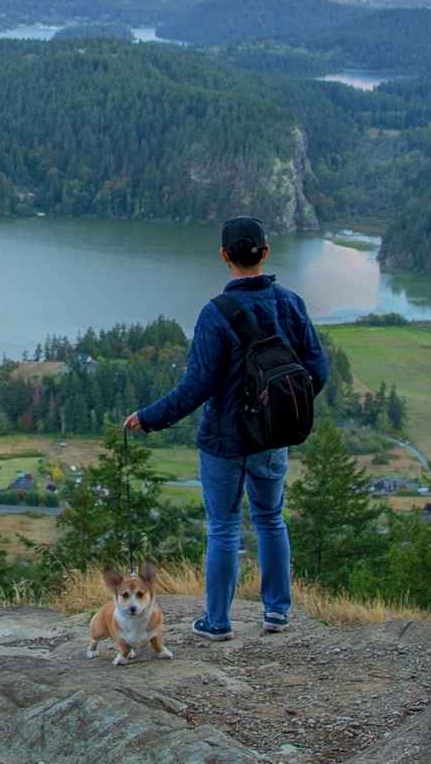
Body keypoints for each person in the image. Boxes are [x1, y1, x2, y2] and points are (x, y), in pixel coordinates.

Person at [125, 216, 330, 641]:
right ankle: (277, 612)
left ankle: (217, 622)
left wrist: (148, 418)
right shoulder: (290, 302)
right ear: (265, 252)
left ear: (224, 256)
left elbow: (197, 385)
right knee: (271, 519)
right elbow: (317, 370)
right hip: (272, 437)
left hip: (223, 439)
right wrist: (284, 411)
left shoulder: (215, 313)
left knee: (223, 527)